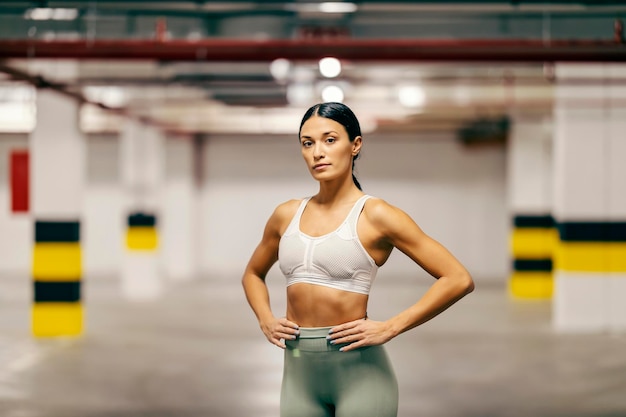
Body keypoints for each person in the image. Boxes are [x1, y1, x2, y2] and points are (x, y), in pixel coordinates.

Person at [241, 101, 474, 417]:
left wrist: (391, 327)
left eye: (330, 139)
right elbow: (253, 274)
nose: (317, 152)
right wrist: (266, 319)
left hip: (361, 374)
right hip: (298, 373)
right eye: (307, 143)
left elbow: (458, 278)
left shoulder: (376, 215)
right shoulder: (286, 214)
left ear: (355, 145)